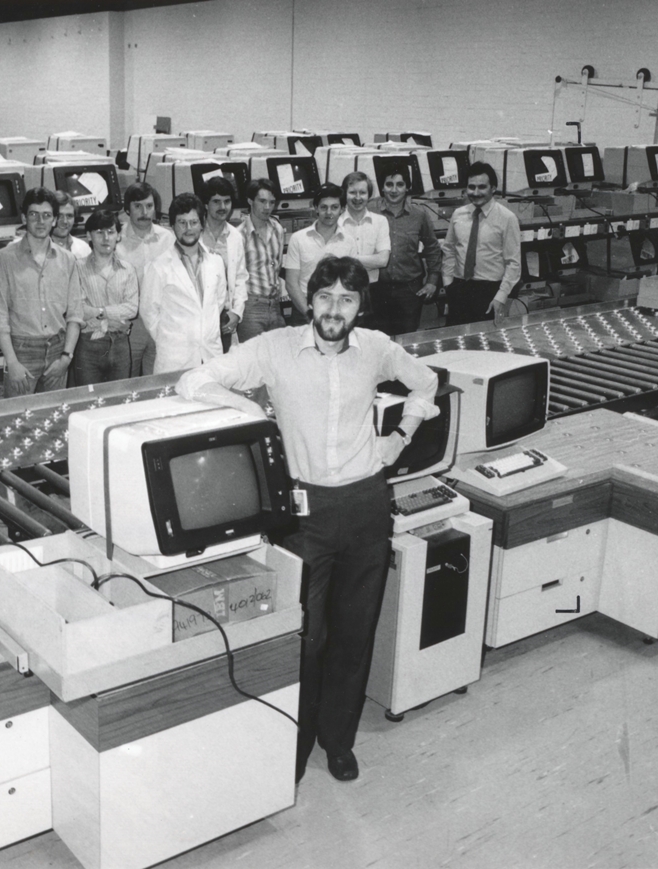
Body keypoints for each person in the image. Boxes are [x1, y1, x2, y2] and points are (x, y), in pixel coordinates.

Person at [176, 255, 438, 785]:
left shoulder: (377, 348)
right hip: (303, 514)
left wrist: (399, 437)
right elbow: (195, 380)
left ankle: (337, 741)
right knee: (305, 635)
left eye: (347, 299)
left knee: (354, 632)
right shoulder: (274, 349)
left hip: (366, 504)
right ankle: (292, 747)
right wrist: (253, 414)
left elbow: (427, 382)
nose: (334, 310)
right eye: (325, 297)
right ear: (308, 301)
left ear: (360, 306)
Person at [0, 186, 85, 396]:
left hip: (58, 350)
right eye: (34, 214)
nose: (40, 221)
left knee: (53, 413)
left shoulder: (67, 259)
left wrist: (66, 357)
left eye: (46, 215)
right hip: (21, 352)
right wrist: (12, 362)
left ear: (54, 219)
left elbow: (75, 314)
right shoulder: (4, 259)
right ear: (24, 217)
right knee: (18, 414)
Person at [141, 193, 229, 374]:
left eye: (193, 222)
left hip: (210, 354)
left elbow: (218, 302)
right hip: (175, 358)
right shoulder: (158, 266)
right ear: (172, 226)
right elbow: (148, 312)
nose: (188, 229)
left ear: (202, 224)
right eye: (182, 222)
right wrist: (172, 340)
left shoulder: (216, 262)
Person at [440, 161, 522, 325]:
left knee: (487, 338)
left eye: (482, 187)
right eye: (471, 187)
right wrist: (448, 284)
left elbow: (513, 262)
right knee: (456, 337)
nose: (476, 192)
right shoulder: (458, 215)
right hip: (459, 289)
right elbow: (449, 250)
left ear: (493, 188)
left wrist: (501, 297)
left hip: (490, 292)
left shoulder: (507, 218)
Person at [368, 170, 442, 336]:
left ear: (407, 188)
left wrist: (432, 281)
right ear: (382, 187)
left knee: (407, 338)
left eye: (400, 185)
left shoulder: (419, 214)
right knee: (378, 339)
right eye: (389, 184)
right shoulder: (370, 211)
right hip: (377, 289)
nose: (394, 190)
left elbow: (432, 247)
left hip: (409, 290)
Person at [73, 209, 140, 385]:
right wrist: (115, 314)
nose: (105, 238)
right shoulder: (77, 268)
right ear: (89, 235)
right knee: (88, 399)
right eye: (99, 232)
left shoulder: (128, 269)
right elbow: (79, 309)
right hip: (88, 344)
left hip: (121, 343)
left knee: (120, 398)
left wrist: (99, 312)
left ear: (118, 236)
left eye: (111, 232)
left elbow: (132, 309)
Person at [117, 181, 174, 375]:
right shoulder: (116, 239)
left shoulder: (168, 239)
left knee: (157, 379)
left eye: (149, 206)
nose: (144, 212)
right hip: (130, 325)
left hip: (161, 321)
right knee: (128, 381)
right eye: (138, 206)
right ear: (127, 209)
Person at [282, 183, 354, 321]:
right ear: (316, 208)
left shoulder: (349, 241)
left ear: (342, 209)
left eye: (334, 207)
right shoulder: (298, 238)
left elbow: (349, 284)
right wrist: (309, 314)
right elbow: (291, 283)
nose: (329, 212)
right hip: (303, 310)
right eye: (324, 207)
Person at [235, 179, 288, 342]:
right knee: (254, 354)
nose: (267, 207)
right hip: (252, 306)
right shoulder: (239, 235)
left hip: (275, 304)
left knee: (277, 353)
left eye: (272, 202)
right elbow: (236, 277)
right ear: (250, 201)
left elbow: (277, 266)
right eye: (262, 201)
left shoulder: (277, 229)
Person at [199, 175, 248, 349]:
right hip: (199, 314)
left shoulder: (235, 236)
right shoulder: (195, 234)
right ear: (206, 204)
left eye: (227, 201)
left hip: (225, 316)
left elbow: (241, 278)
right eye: (216, 202)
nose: (223, 207)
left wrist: (237, 313)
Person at [50, 191, 92, 259]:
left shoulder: (84, 248)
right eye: (59, 216)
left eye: (69, 216)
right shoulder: (38, 249)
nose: (65, 221)